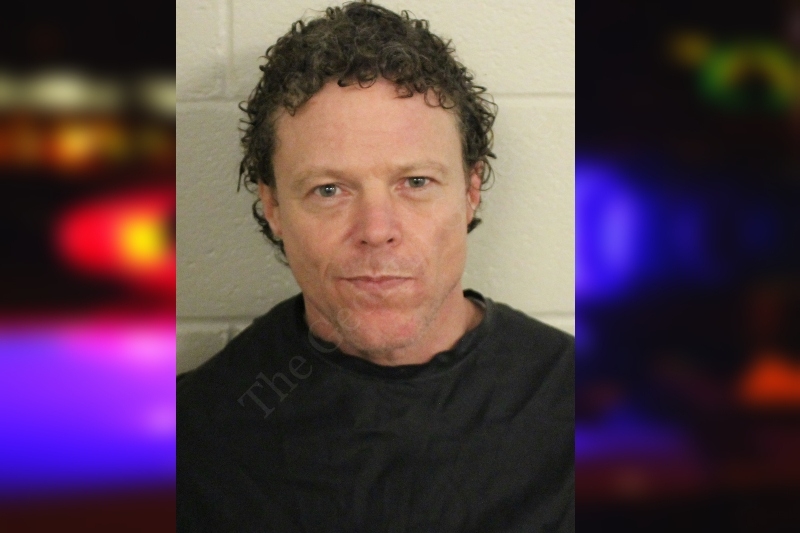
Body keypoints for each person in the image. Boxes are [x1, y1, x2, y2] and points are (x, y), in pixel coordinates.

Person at [177, 2, 574, 531]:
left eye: (416, 182)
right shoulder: (194, 437)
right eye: (329, 190)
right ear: (273, 207)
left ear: (471, 191)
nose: (376, 229)